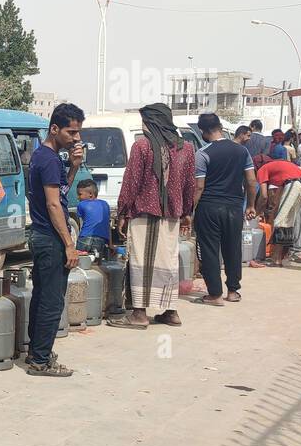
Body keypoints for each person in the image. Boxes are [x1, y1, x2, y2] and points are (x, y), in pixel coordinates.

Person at [111, 102, 196, 328]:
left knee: (142, 262)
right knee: (167, 261)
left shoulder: (142, 146)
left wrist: (122, 212)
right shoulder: (186, 148)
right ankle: (171, 311)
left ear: (151, 122)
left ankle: (139, 313)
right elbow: (190, 184)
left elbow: (131, 182)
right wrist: (187, 211)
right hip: (172, 215)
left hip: (144, 212)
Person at [23, 102, 85, 377]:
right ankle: (40, 360)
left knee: (42, 296)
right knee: (51, 301)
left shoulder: (46, 157)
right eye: (71, 133)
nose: (76, 138)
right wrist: (69, 244)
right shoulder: (47, 159)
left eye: (78, 132)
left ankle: (37, 351)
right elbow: (54, 206)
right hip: (49, 238)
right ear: (55, 129)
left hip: (43, 235)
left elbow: (60, 193)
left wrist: (73, 167)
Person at [193, 112, 256, 305]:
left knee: (210, 249)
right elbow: (251, 181)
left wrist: (190, 210)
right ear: (220, 126)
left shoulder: (203, 153)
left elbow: (199, 186)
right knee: (232, 248)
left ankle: (214, 294)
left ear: (203, 131)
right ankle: (233, 291)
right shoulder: (241, 151)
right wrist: (251, 205)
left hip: (209, 207)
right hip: (235, 207)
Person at [255, 157, 301, 266]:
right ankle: (283, 255)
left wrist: (256, 213)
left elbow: (264, 196)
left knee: (281, 221)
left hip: (294, 184)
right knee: (288, 221)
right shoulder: (277, 166)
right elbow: (277, 196)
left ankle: (276, 259)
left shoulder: (262, 169)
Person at [75, 178, 111, 258]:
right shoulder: (105, 204)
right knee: (97, 263)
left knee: (80, 262)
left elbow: (82, 222)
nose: (78, 197)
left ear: (90, 194)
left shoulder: (81, 204)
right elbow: (107, 225)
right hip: (101, 240)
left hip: (85, 238)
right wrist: (110, 244)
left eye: (79, 194)